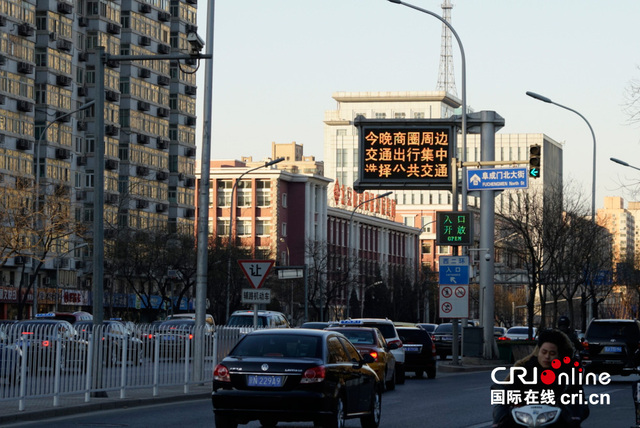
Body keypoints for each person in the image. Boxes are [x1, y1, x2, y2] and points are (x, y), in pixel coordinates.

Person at [492, 329, 589, 427]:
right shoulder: (525, 369)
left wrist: (573, 414)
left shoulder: (568, 373)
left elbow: (578, 400)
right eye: (544, 352)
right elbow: (510, 391)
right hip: (525, 421)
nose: (547, 356)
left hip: (556, 421)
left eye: (552, 354)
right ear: (538, 351)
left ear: (559, 355)